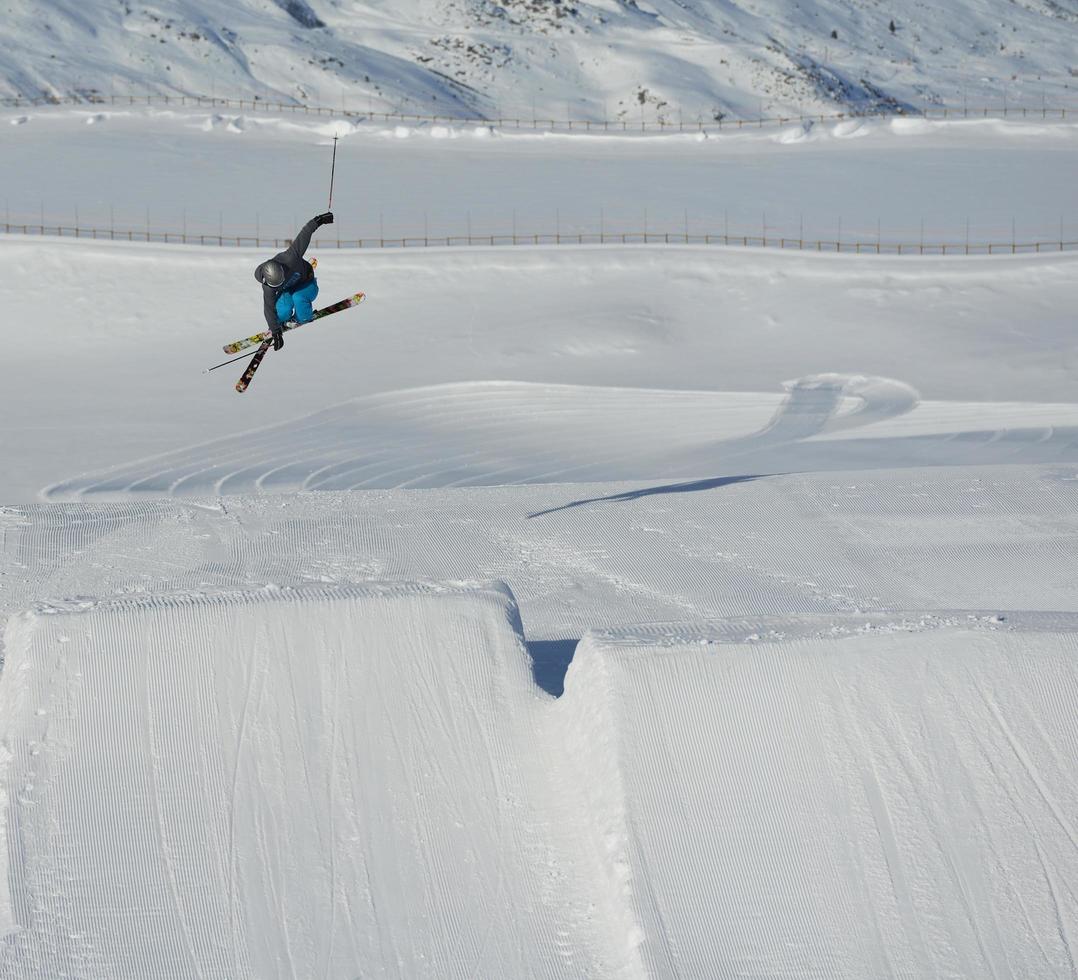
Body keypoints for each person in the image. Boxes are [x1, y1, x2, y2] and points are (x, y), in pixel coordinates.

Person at [253, 212, 334, 350]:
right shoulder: (268, 285)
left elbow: (305, 234)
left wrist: (319, 220)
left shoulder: (291, 257)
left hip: (307, 284)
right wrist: (276, 331)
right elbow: (268, 307)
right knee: (282, 310)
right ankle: (282, 322)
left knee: (298, 298)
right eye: (275, 285)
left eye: (280, 282)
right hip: (289, 290)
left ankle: (302, 317)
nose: (277, 286)